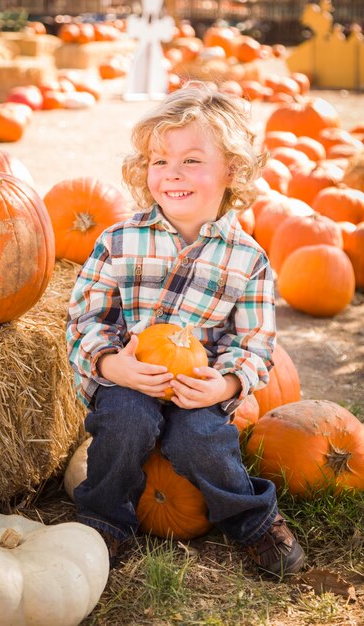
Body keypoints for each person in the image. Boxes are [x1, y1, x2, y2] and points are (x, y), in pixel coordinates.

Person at [66, 82, 305, 578]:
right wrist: (114, 365)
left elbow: (256, 343)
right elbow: (86, 319)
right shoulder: (119, 239)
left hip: (200, 389)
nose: (172, 173)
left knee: (202, 441)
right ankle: (104, 519)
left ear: (232, 171)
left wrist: (228, 383)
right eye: (159, 162)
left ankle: (253, 520)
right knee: (124, 423)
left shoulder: (248, 258)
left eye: (192, 161)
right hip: (131, 379)